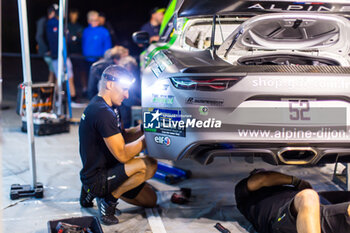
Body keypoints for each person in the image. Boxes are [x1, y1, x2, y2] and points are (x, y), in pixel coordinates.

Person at [79, 65, 157, 225]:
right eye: (124, 89)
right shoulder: (102, 112)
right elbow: (122, 153)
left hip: (104, 170)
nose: (127, 95)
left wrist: (145, 128)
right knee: (149, 164)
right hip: (99, 177)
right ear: (110, 85)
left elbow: (123, 136)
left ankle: (90, 191)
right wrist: (148, 139)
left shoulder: (108, 106)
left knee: (151, 200)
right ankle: (107, 199)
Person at [235, 169, 350, 233]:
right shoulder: (244, 196)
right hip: (281, 221)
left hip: (314, 214)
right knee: (308, 196)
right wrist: (296, 181)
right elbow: (263, 178)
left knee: (310, 196)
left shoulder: (288, 190)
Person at [46, 4, 77, 103]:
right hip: (60, 55)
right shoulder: (56, 24)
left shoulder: (53, 24)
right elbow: (66, 39)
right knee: (66, 76)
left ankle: (58, 98)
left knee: (58, 77)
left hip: (57, 55)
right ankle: (70, 97)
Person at [82, 10, 112, 79]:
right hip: (87, 59)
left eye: (96, 20)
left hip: (99, 60)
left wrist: (104, 57)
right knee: (88, 77)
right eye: (93, 20)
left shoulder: (104, 31)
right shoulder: (86, 31)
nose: (95, 22)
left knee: (99, 78)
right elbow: (84, 44)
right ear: (89, 21)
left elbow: (107, 46)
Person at [35, 4, 57, 83]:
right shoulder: (46, 22)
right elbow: (40, 36)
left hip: (51, 51)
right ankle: (53, 90)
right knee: (53, 70)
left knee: (53, 70)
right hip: (48, 52)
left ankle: (52, 88)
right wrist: (47, 50)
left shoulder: (49, 22)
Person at [67, 9, 86, 99]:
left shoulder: (80, 27)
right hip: (69, 53)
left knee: (80, 73)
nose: (73, 16)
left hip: (79, 54)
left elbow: (81, 38)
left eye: (75, 14)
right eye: (72, 14)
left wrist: (75, 38)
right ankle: (71, 93)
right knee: (71, 75)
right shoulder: (67, 26)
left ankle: (81, 92)